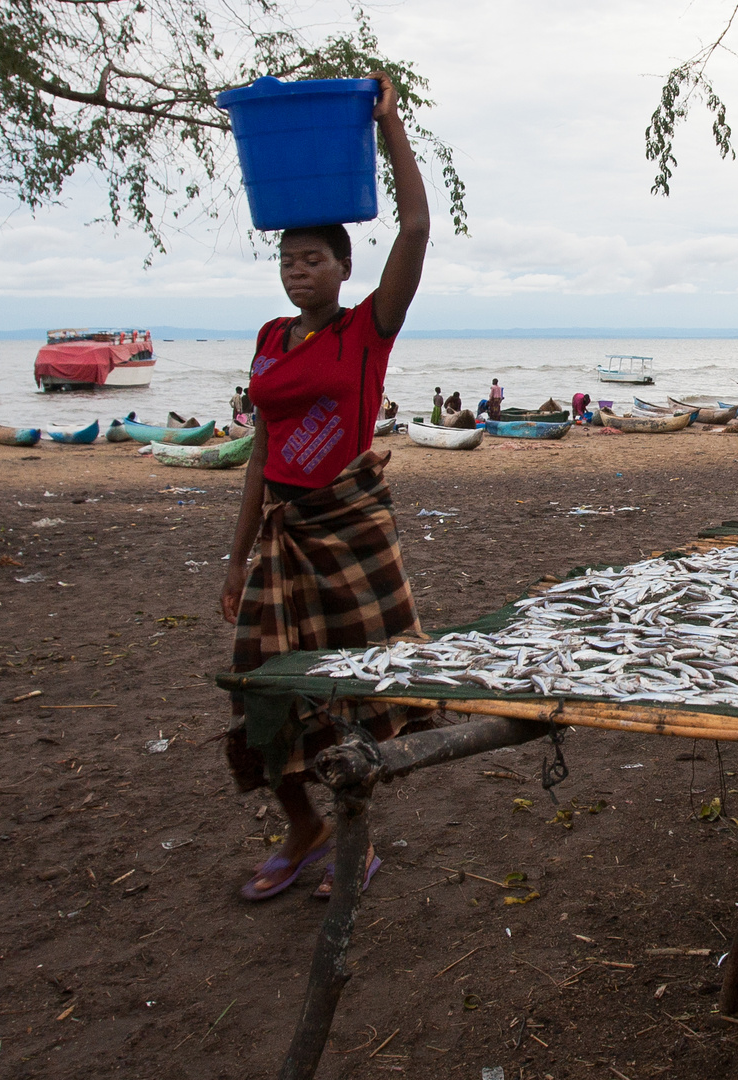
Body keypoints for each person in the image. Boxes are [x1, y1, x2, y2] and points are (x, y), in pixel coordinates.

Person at [220, 70, 429, 902]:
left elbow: (415, 223)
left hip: (347, 531)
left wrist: (391, 127)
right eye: (288, 259)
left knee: (351, 694)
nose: (297, 271)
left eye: (313, 259)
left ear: (346, 267)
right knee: (266, 696)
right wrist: (234, 560)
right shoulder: (272, 338)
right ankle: (302, 827)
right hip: (281, 536)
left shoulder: (367, 332)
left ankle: (354, 838)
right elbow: (261, 451)